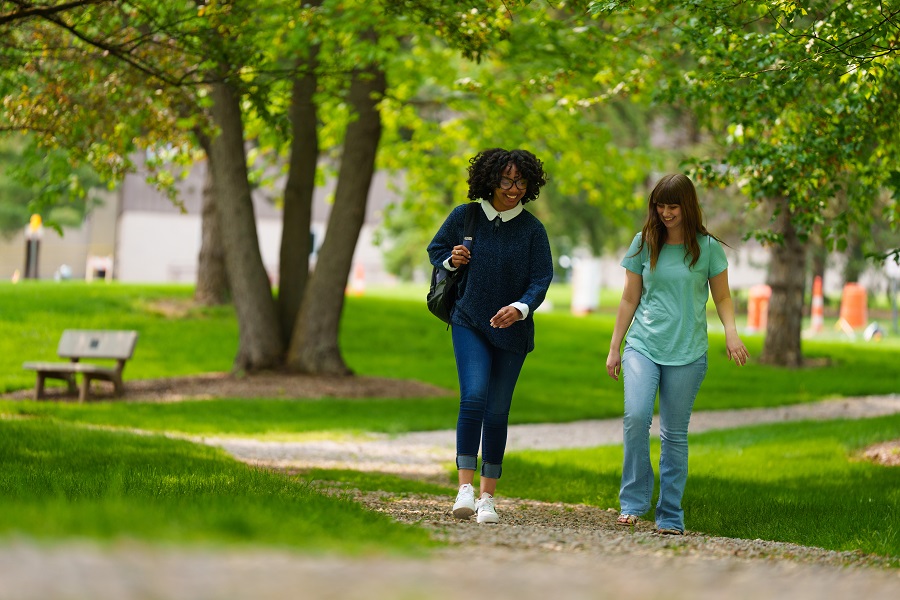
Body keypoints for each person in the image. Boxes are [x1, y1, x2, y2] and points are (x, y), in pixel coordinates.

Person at [605, 173, 748, 535]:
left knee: (674, 434)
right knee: (636, 418)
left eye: (673, 206)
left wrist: (732, 333)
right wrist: (615, 346)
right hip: (644, 345)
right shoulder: (643, 243)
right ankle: (633, 503)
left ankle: (670, 514)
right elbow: (628, 298)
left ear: (687, 206)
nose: (666, 213)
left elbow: (724, 297)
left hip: (687, 350)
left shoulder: (707, 248)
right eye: (660, 205)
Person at [427, 148, 554, 524]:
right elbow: (436, 251)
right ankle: (464, 488)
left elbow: (541, 278)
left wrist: (521, 307)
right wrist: (453, 259)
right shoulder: (465, 216)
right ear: (490, 180)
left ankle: (487, 497)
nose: (513, 188)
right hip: (468, 318)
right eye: (505, 181)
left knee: (498, 411)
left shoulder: (533, 230)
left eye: (520, 181)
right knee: (474, 396)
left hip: (512, 330)